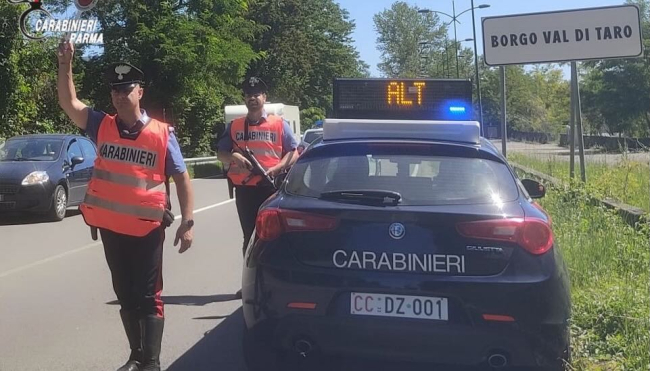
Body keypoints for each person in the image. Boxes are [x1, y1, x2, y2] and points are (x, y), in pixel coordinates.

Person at [56, 40, 195, 371]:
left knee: (149, 296)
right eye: (115, 90)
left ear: (140, 92)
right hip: (111, 229)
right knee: (125, 293)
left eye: (126, 89)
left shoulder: (162, 134)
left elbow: (182, 177)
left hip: (146, 231)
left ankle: (152, 361)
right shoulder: (101, 125)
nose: (120, 95)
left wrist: (188, 222)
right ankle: (135, 355)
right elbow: (68, 102)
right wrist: (66, 66)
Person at [217, 77, 298, 258]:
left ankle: (272, 279)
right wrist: (233, 156)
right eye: (248, 95)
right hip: (245, 192)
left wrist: (278, 167)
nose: (252, 99)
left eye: (256, 95)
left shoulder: (279, 124)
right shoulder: (234, 125)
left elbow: (294, 152)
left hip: (271, 189)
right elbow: (220, 153)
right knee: (250, 236)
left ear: (264, 97)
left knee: (273, 236)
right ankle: (250, 281)